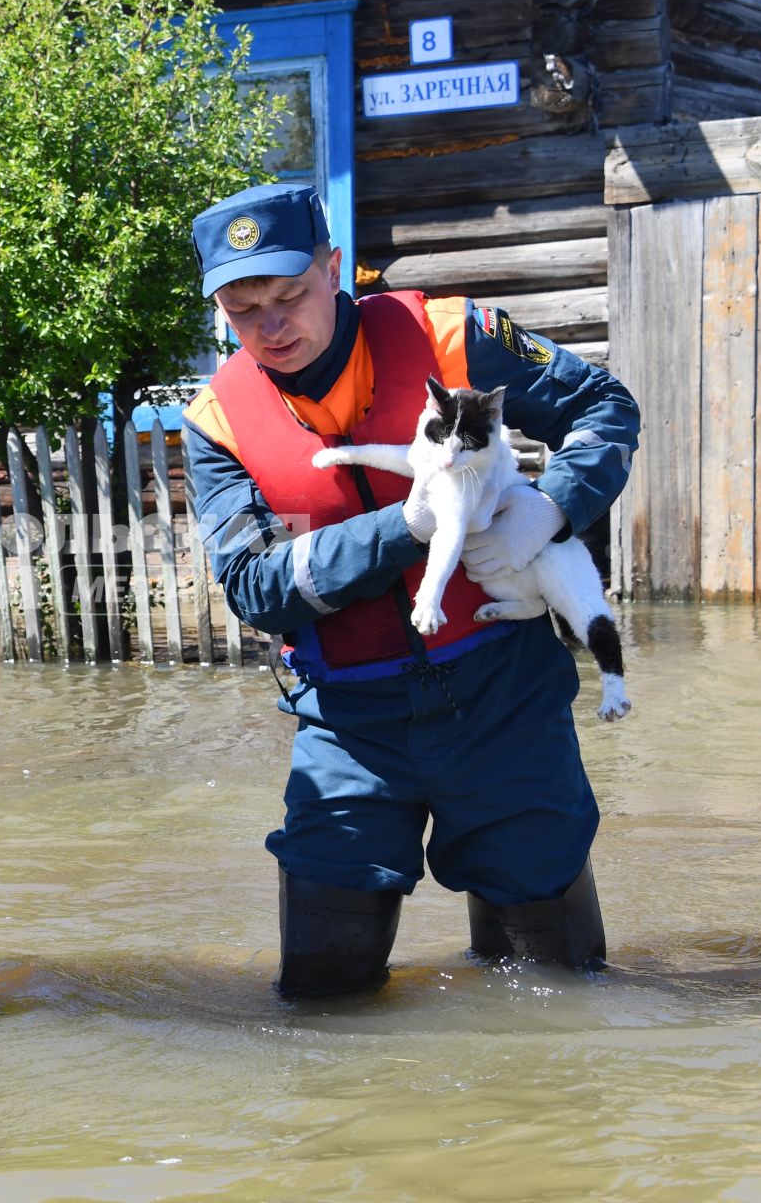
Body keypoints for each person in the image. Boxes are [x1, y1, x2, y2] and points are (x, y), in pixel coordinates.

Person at [180, 183, 640, 996]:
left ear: (334, 270)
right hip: (351, 720)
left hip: (506, 699)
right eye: (243, 309)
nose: (271, 326)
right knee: (321, 1000)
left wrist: (554, 508)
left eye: (289, 295)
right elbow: (254, 587)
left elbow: (604, 407)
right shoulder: (215, 421)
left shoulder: (454, 336)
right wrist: (410, 525)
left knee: (559, 996)